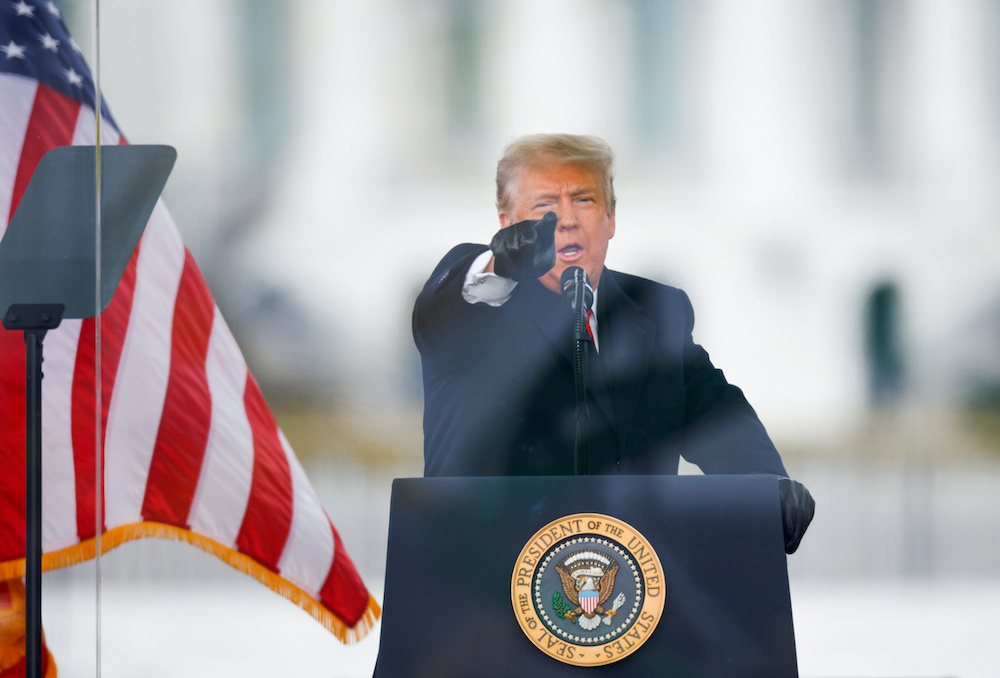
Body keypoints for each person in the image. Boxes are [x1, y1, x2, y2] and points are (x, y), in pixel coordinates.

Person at [412, 133, 814, 553]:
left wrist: (766, 486)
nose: (566, 220)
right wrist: (500, 264)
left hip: (632, 593)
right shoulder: (480, 296)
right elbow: (450, 312)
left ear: (610, 219)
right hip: (480, 584)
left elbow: (715, 415)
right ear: (507, 223)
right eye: (545, 206)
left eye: (583, 201)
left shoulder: (658, 312)